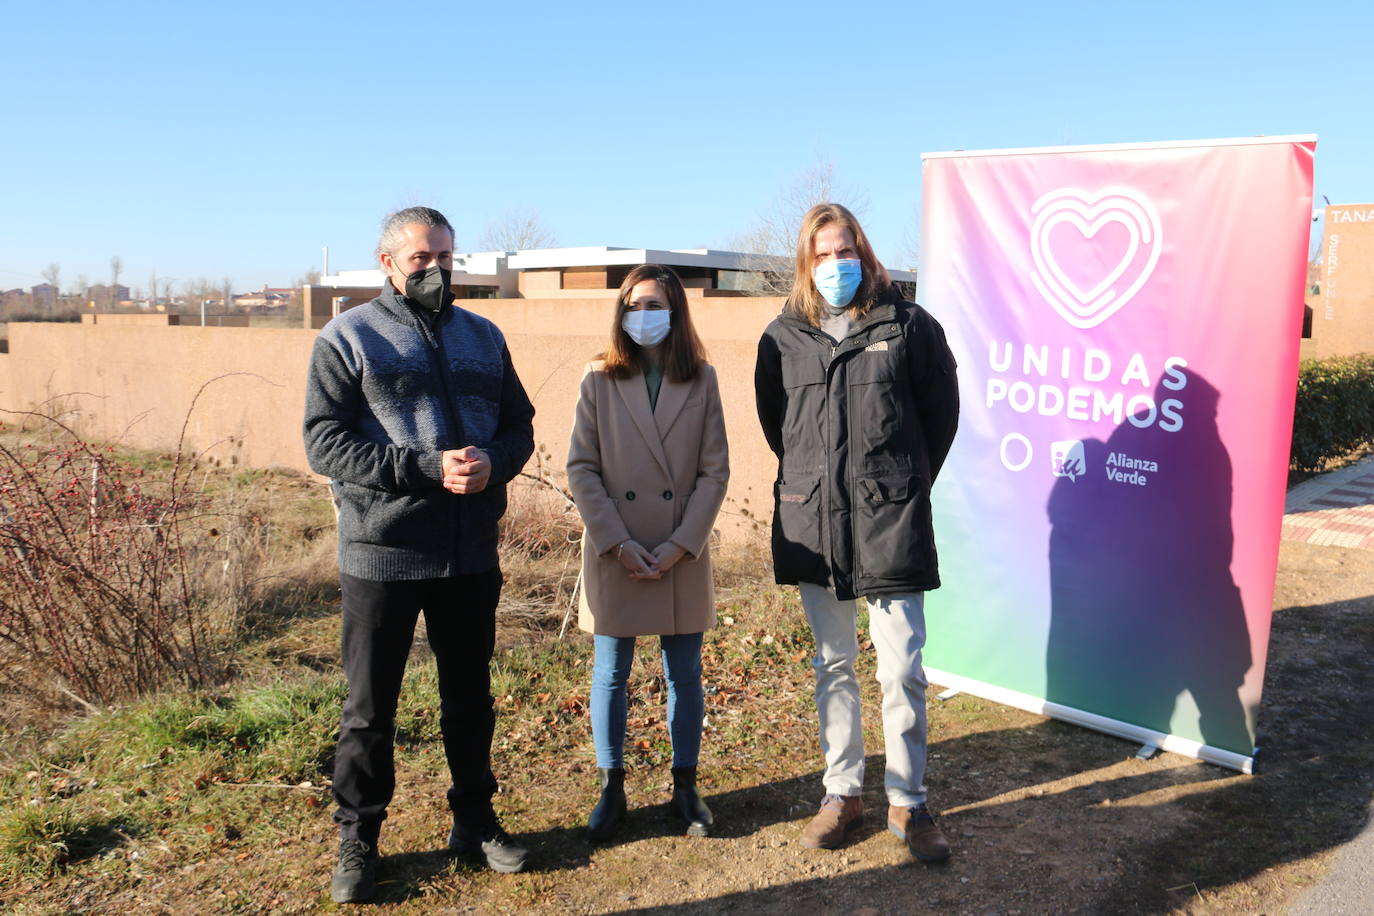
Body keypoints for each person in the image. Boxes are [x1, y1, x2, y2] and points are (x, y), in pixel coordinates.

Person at [303, 206, 536, 903]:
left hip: (469, 554)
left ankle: (475, 821)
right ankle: (359, 838)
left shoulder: (485, 337)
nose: (435, 270)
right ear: (387, 264)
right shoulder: (347, 338)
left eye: (445, 257)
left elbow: (519, 425)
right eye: (420, 259)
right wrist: (425, 468)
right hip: (383, 552)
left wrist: (494, 462)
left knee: (469, 699)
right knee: (370, 709)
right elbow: (324, 442)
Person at [753, 203, 959, 862]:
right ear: (805, 264)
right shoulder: (781, 337)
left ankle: (909, 802)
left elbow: (940, 417)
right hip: (816, 524)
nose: (835, 265)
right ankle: (842, 794)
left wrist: (898, 482)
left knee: (902, 670)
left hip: (889, 522)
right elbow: (776, 426)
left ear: (864, 254)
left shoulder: (909, 327)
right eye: (822, 254)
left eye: (845, 251)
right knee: (832, 667)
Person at [566, 264, 729, 841]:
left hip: (680, 549)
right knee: (611, 673)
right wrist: (619, 540)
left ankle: (685, 787)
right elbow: (581, 468)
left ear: (676, 311)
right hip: (618, 549)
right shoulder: (597, 378)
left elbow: (715, 471)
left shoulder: (702, 379)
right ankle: (612, 790)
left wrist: (683, 543)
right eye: (633, 305)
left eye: (655, 304)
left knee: (684, 673)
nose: (644, 315)